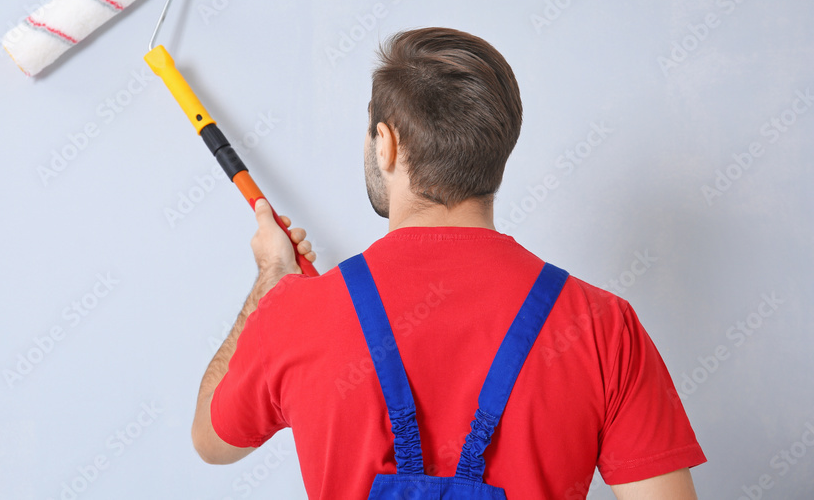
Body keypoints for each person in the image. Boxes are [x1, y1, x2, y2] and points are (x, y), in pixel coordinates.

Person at [191, 27, 706, 498]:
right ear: (496, 152)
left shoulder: (294, 313)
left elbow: (212, 442)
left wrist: (269, 283)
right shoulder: (602, 326)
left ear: (386, 144)